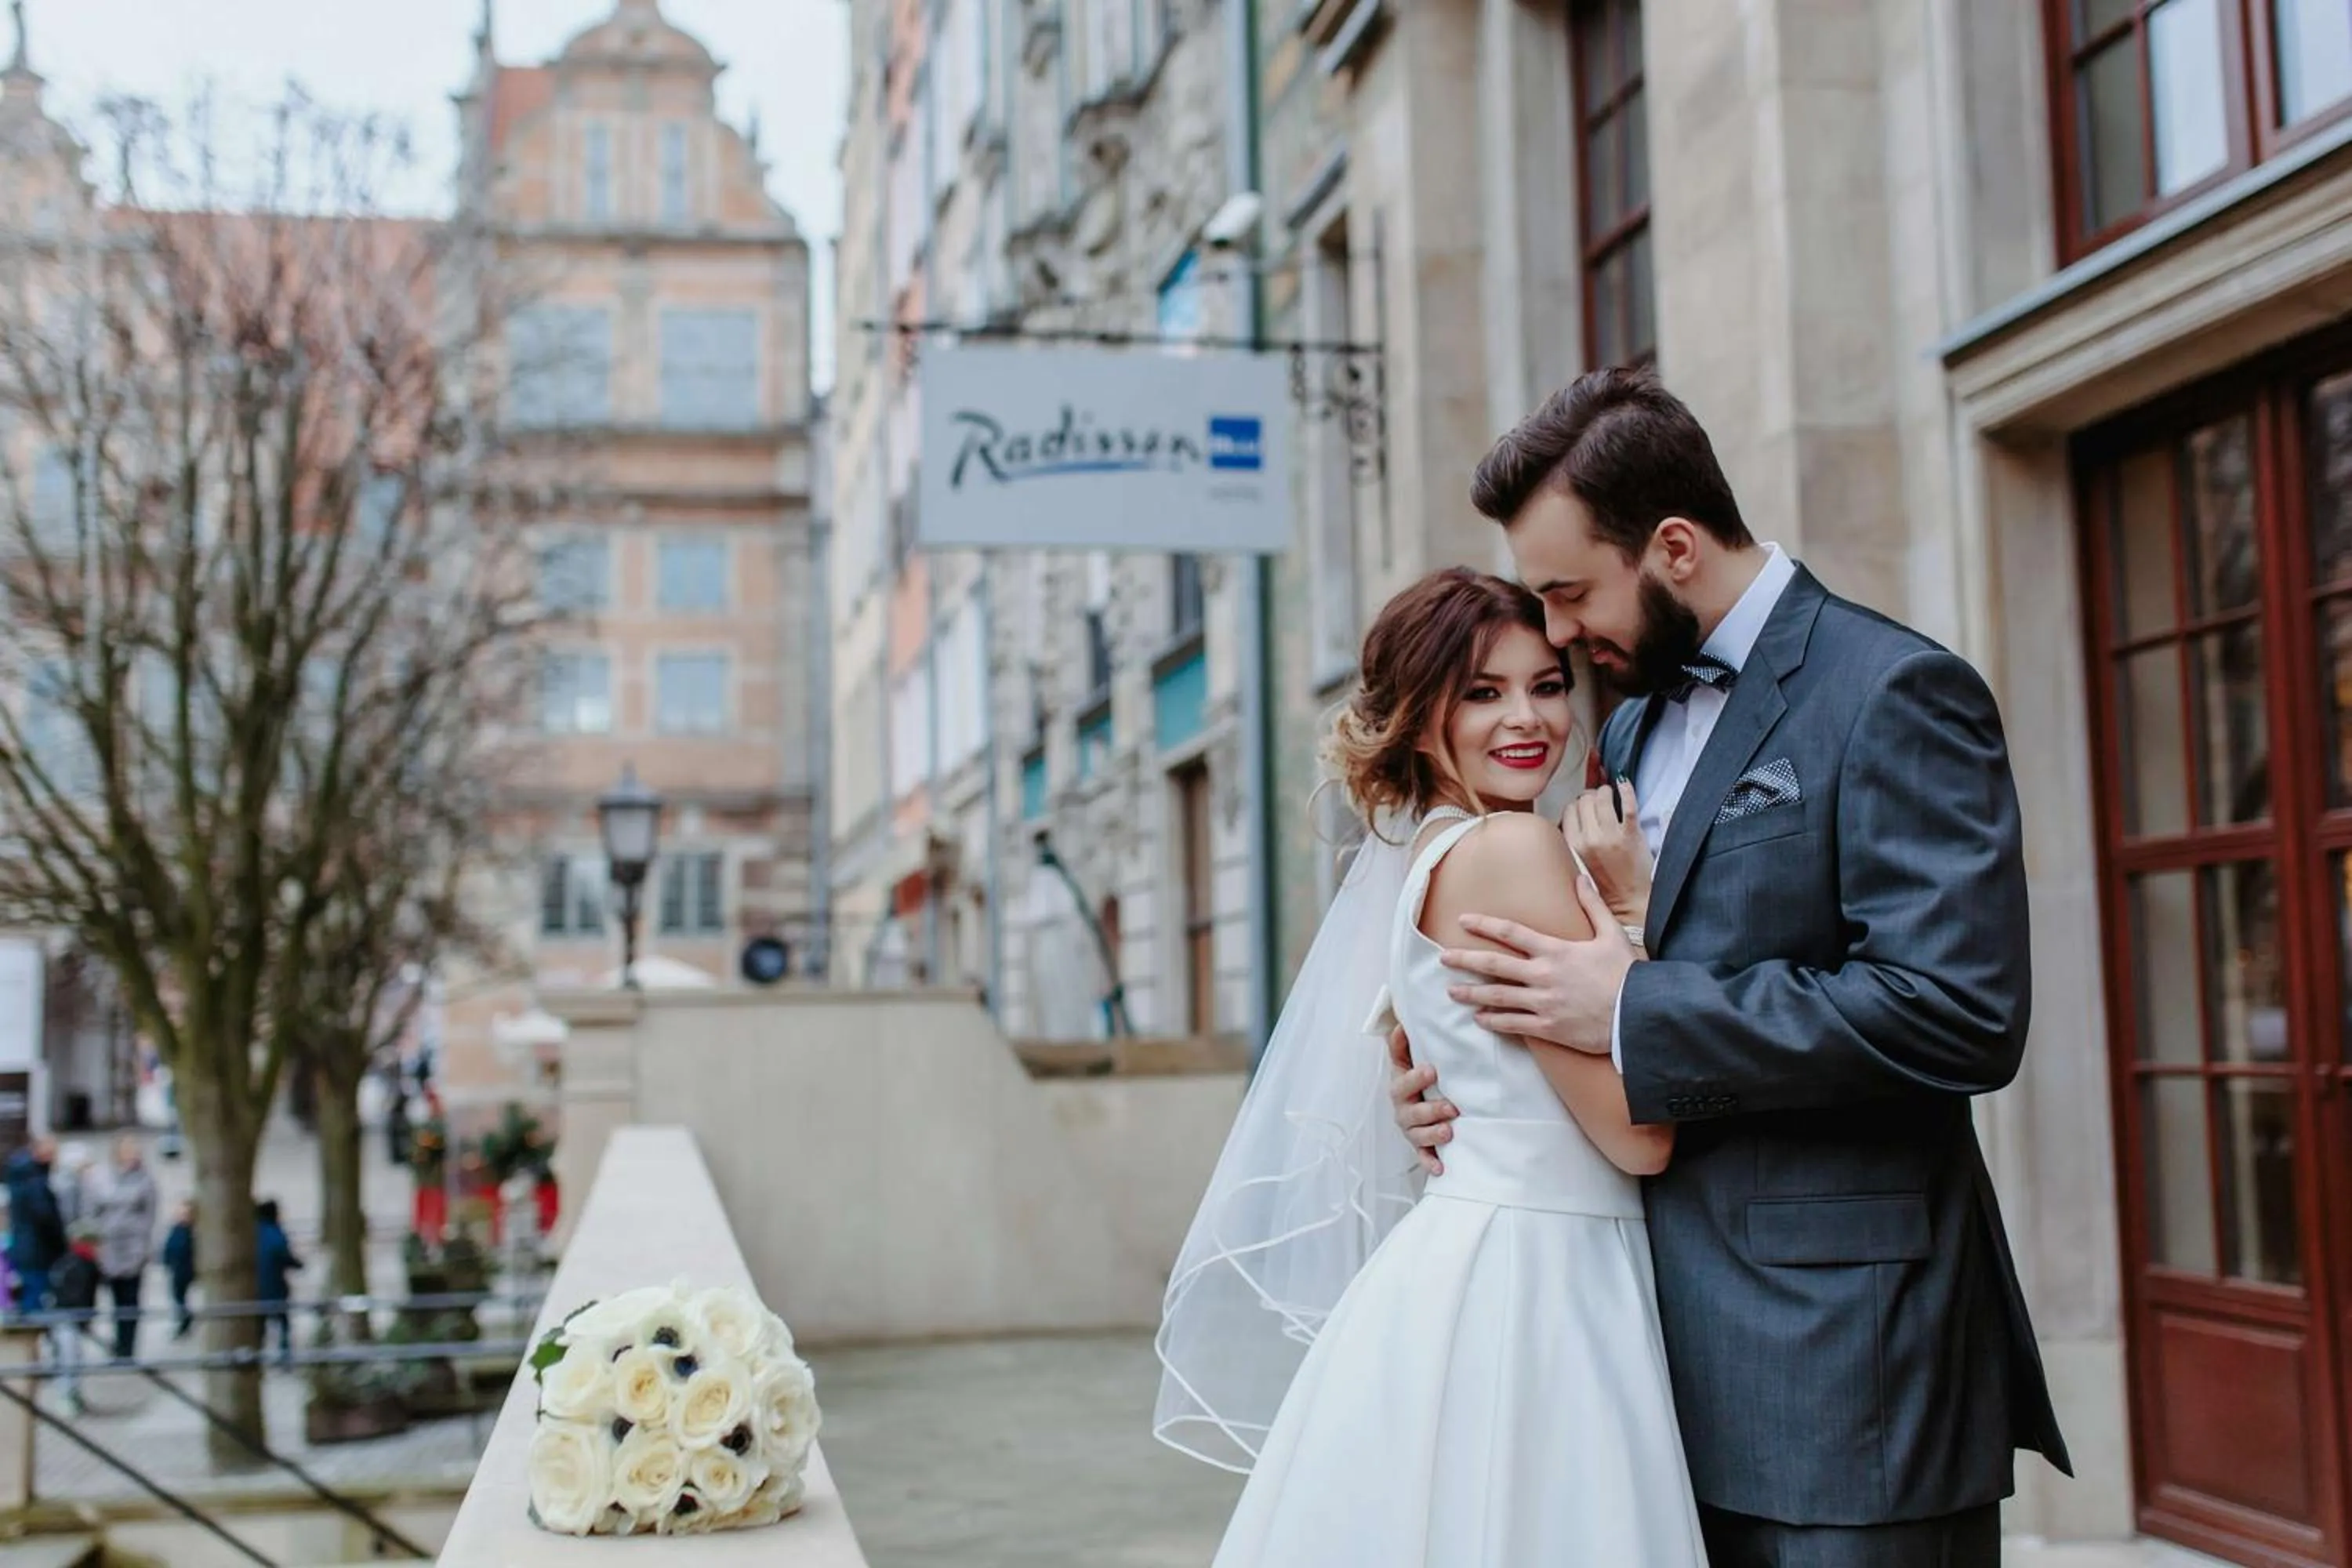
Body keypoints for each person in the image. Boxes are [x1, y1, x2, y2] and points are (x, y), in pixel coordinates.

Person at [1388, 367, 2071, 1567]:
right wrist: (1457, 1072)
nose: (1555, 637)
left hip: (1845, 1376)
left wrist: (1639, 1005)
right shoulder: (1637, 721)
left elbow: (1959, 1012)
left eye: (1568, 594)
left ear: (1675, 547)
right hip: (1636, 1366)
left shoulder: (1894, 692)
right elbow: (1597, 967)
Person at [1158, 568, 1707, 1566]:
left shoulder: (1436, 850)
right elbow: (1641, 1134)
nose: (1528, 718)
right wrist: (1631, 910)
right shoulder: (1511, 848)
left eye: (1546, 683)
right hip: (1540, 1274)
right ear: (1420, 720)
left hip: (1484, 1253)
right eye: (1482, 693)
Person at [87, 1136, 158, 1361]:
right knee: (114, 1300)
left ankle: (127, 1347)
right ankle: (117, 1344)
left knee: (130, 1300)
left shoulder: (145, 1181)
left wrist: (143, 1247)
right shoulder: (101, 1179)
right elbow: (91, 1211)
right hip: (108, 1248)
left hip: (133, 1249)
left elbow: (149, 1216)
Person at [3, 1137, 67, 1320]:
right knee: (34, 1304)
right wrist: (61, 1245)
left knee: (29, 1299)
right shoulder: (34, 1179)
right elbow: (45, 1217)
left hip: (26, 1248)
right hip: (37, 1250)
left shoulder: (20, 1175)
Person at [48, 1225, 100, 1416]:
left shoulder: (80, 1263)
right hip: (68, 1317)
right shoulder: (77, 1264)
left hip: (71, 1318)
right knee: (68, 1357)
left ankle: (72, 1395)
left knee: (73, 1357)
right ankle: (66, 1398)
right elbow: (76, 1295)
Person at [253, 1200, 303, 1366]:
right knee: (282, 1322)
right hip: (274, 1286)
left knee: (260, 1324)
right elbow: (283, 1255)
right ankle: (284, 1357)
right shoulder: (275, 1233)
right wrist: (298, 1264)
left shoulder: (253, 1233)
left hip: (257, 1287)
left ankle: (257, 1356)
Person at [161, 1201, 196, 1341]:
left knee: (180, 1297)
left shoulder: (189, 1232)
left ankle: (185, 1320)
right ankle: (183, 1320)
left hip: (184, 1270)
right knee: (177, 1297)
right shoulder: (176, 1230)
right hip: (176, 1268)